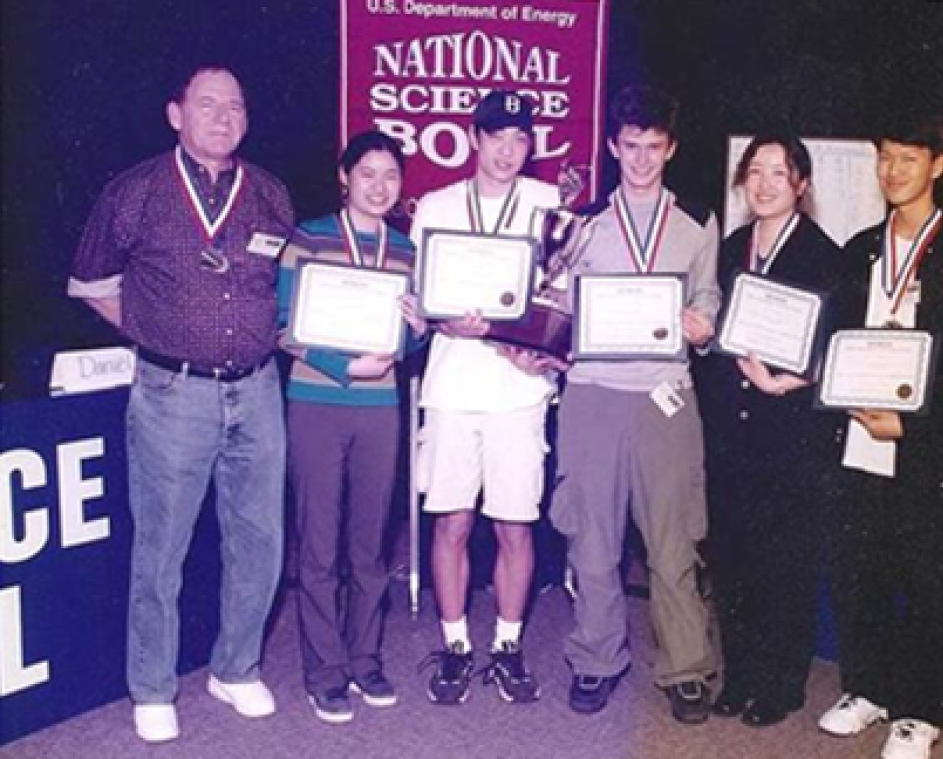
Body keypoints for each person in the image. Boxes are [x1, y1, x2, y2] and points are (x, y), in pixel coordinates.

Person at [67, 65, 293, 744]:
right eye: (207, 104)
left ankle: (236, 666)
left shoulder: (272, 195)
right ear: (176, 113)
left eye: (235, 106)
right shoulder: (134, 191)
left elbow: (286, 287)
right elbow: (90, 283)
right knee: (162, 547)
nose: (223, 117)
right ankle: (153, 684)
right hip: (172, 392)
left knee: (259, 539)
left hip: (258, 388)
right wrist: (155, 334)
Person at [818, 117, 943, 759]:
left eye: (908, 159)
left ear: (938, 165)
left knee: (925, 581)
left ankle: (921, 710)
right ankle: (869, 688)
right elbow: (835, 339)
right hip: (858, 438)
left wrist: (910, 424)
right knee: (860, 571)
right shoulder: (860, 247)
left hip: (923, 446)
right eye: (885, 158)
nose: (893, 172)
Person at [551, 84, 721, 723]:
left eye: (654, 147)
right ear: (612, 147)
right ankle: (596, 659)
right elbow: (556, 306)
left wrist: (702, 321)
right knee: (591, 540)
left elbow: (708, 297)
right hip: (593, 394)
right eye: (631, 147)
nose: (643, 159)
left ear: (670, 148)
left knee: (674, 542)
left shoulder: (697, 221)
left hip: (666, 397)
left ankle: (684, 667)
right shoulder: (584, 221)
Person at [413, 90, 562, 707]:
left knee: (515, 525)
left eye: (519, 139)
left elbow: (559, 301)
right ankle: (454, 646)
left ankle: (506, 645)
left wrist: (542, 347)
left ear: (531, 146)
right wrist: (440, 318)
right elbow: (422, 297)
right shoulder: (437, 204)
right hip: (452, 387)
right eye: (496, 136)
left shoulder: (550, 206)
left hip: (520, 390)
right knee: (452, 520)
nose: (507, 150)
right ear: (475, 138)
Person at [275, 130, 426, 723]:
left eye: (391, 175)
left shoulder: (405, 250)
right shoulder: (307, 237)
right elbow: (285, 327)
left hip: (379, 407)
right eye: (368, 173)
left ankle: (365, 658)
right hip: (316, 401)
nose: (380, 186)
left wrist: (417, 330)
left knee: (371, 545)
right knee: (318, 545)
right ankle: (324, 671)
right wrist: (343, 365)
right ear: (345, 176)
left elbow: (410, 340)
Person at [696, 134, 841, 727]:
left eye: (777, 173)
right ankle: (741, 674)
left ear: (801, 184)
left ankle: (781, 684)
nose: (763, 184)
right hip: (732, 428)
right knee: (732, 556)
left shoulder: (824, 255)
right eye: (754, 172)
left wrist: (798, 379)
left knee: (784, 560)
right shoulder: (730, 249)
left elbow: (836, 346)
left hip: (790, 430)